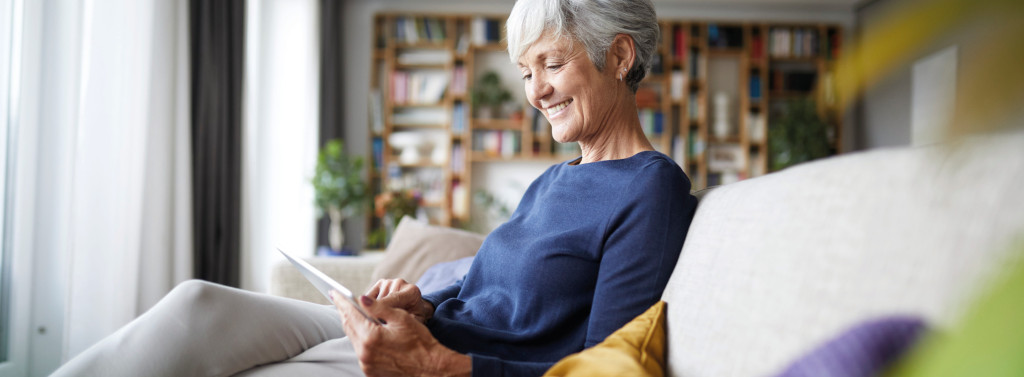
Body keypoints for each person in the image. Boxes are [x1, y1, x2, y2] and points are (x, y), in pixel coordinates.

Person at [52, 0, 697, 376]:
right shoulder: (557, 180)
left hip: (441, 368)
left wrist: (438, 365)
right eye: (527, 72)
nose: (535, 92)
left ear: (617, 57)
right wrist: (422, 305)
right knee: (198, 306)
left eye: (552, 65)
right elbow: (485, 292)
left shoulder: (650, 191)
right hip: (426, 336)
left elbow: (602, 368)